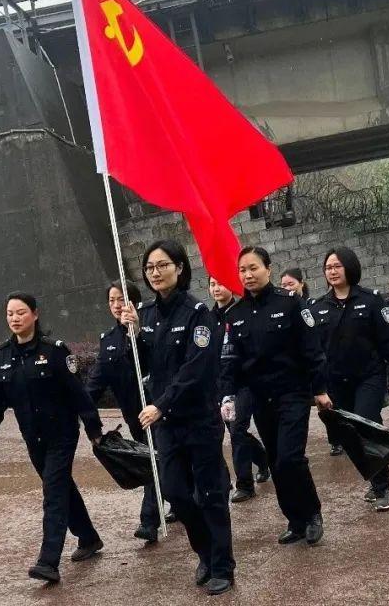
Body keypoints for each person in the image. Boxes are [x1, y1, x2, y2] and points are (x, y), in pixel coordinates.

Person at [119, 240, 235, 595]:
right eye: (150, 267)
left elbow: (196, 368)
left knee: (211, 493)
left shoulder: (198, 313)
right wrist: (134, 334)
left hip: (197, 418)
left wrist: (163, 403)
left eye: (162, 265)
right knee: (174, 490)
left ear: (180, 268)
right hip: (167, 425)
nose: (155, 273)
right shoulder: (148, 314)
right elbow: (141, 363)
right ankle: (204, 551)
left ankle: (222, 565)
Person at [0, 292, 104, 585]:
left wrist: (94, 429)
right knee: (61, 488)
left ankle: (48, 562)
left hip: (61, 434)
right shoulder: (1, 356)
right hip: (33, 438)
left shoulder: (55, 351)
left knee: (53, 493)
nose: (14, 318)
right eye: (10, 313)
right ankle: (88, 538)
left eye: (20, 312)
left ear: (35, 314)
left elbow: (77, 393)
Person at [221, 246, 331, 546]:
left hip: (293, 394)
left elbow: (312, 350)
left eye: (253, 268)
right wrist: (227, 396)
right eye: (242, 270)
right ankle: (294, 520)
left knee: (291, 458)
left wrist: (319, 390)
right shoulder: (236, 314)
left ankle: (312, 514)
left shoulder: (291, 303)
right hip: (261, 398)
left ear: (268, 269)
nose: (248, 274)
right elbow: (231, 360)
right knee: (276, 458)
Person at [314, 247, 389, 509]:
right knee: (350, 434)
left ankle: (382, 487)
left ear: (350, 267)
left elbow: (388, 340)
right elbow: (315, 351)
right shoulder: (320, 307)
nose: (332, 271)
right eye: (328, 267)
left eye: (337, 266)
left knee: (366, 424)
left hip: (369, 376)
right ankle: (375, 480)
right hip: (337, 381)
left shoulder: (371, 300)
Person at [88, 280, 164, 543]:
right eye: (111, 300)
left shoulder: (151, 327)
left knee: (154, 460)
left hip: (160, 409)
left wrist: (138, 334)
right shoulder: (108, 340)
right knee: (158, 461)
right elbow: (96, 382)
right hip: (134, 414)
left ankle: (149, 520)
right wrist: (82, 408)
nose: (116, 305)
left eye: (121, 299)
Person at [209, 277, 270, 503]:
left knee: (236, 429)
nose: (216, 288)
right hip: (220, 385)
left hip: (244, 383)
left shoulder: (243, 312)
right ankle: (263, 459)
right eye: (212, 284)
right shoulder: (208, 318)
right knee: (237, 430)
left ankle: (245, 484)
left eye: (221, 283)